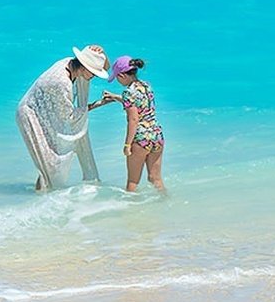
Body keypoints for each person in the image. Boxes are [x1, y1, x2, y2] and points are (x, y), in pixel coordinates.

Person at [16, 45, 110, 191]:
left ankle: (43, 194)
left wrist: (102, 52)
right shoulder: (62, 83)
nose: (94, 77)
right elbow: (70, 117)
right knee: (49, 162)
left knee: (49, 161)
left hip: (46, 110)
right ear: (84, 68)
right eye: (94, 73)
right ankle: (42, 196)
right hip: (31, 114)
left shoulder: (70, 62)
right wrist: (98, 104)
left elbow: (106, 67)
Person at [97, 55, 165, 193]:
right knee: (155, 179)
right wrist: (115, 97)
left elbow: (133, 120)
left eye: (117, 77)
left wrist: (127, 145)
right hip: (157, 135)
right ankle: (166, 200)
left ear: (122, 75)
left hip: (141, 139)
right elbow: (141, 104)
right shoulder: (146, 85)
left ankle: (129, 207)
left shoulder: (128, 93)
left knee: (133, 182)